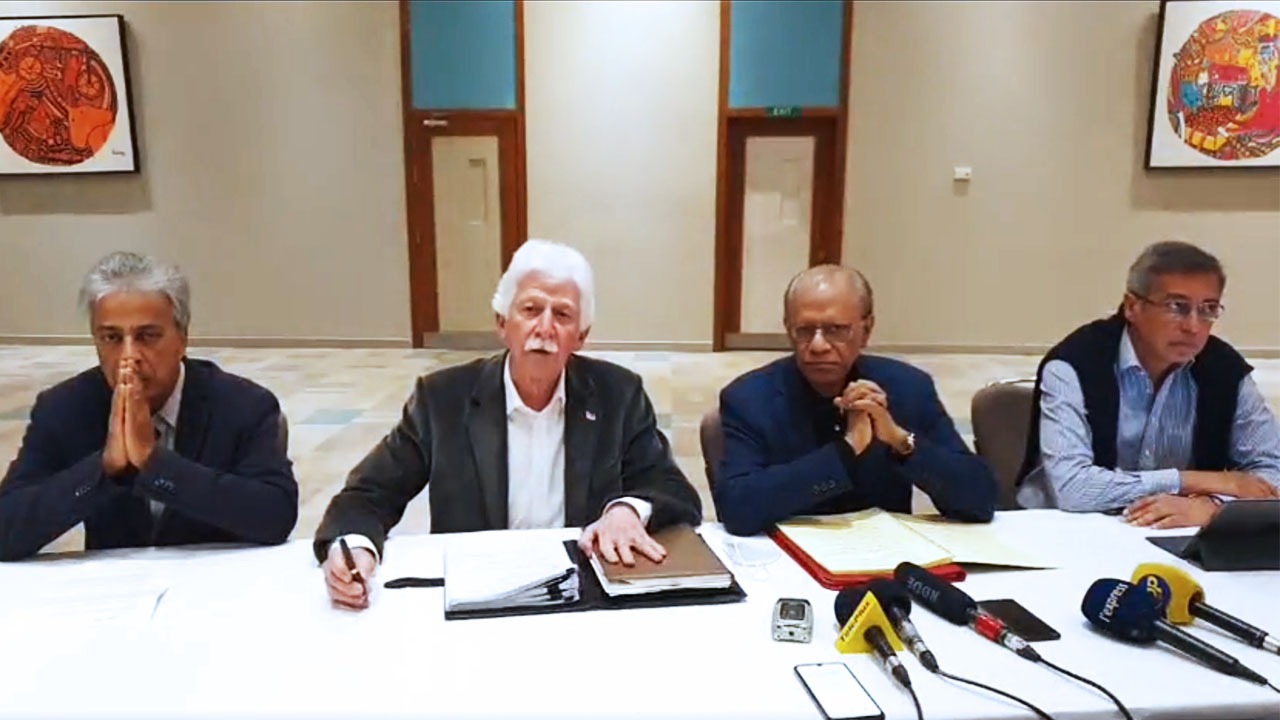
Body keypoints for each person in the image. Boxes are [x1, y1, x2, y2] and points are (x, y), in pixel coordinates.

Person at [316, 239, 701, 609]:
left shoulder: (618, 395)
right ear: (502, 323)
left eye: (562, 315)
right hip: (478, 595)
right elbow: (369, 493)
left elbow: (672, 489)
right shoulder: (443, 399)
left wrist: (628, 510)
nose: (545, 328)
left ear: (581, 336)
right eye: (531, 310)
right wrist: (355, 547)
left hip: (581, 596)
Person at [0, 251, 298, 561]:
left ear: (182, 338)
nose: (129, 356)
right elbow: (5, 529)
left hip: (217, 578)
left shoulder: (243, 405)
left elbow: (275, 515)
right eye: (112, 338)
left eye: (147, 336)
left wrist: (155, 463)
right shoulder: (65, 408)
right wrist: (104, 468)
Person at [714, 265, 997, 537]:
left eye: (836, 329)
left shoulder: (908, 387)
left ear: (866, 329)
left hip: (888, 556)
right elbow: (738, 510)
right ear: (788, 329)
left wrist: (901, 441)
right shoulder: (749, 398)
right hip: (787, 557)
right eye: (804, 330)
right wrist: (846, 451)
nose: (818, 345)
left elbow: (980, 500)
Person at [1017, 240, 1280, 528]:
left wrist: (1213, 507)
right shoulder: (1074, 364)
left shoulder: (1224, 370)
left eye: (1208, 309)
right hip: (1062, 529)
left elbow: (1273, 471)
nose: (1193, 326)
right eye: (1177, 307)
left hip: (1169, 528)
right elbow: (1073, 489)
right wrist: (1195, 480)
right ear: (1133, 307)